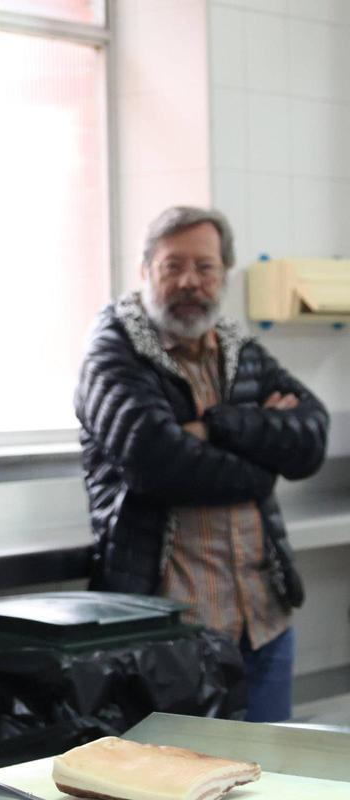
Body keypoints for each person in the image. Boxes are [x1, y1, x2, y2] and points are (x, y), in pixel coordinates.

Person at [75, 206, 328, 723]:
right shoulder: (113, 352)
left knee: (273, 766)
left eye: (205, 267)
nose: (189, 281)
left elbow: (312, 435)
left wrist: (216, 426)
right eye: (173, 266)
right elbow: (158, 462)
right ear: (145, 270)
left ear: (224, 274)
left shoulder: (239, 348)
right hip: (170, 633)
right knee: (180, 769)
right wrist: (262, 468)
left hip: (263, 622)